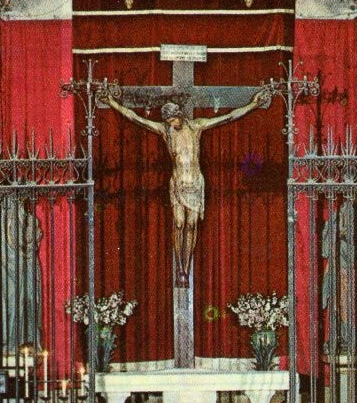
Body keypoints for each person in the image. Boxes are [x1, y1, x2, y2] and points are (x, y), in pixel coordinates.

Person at [104, 88, 269, 288]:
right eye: (168, 121)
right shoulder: (165, 131)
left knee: (191, 225)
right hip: (178, 184)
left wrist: (253, 104)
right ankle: (180, 266)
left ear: (180, 115)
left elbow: (228, 117)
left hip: (195, 184)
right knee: (179, 224)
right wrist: (112, 103)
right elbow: (136, 118)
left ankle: (186, 269)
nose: (172, 124)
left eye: (173, 120)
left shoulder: (196, 126)